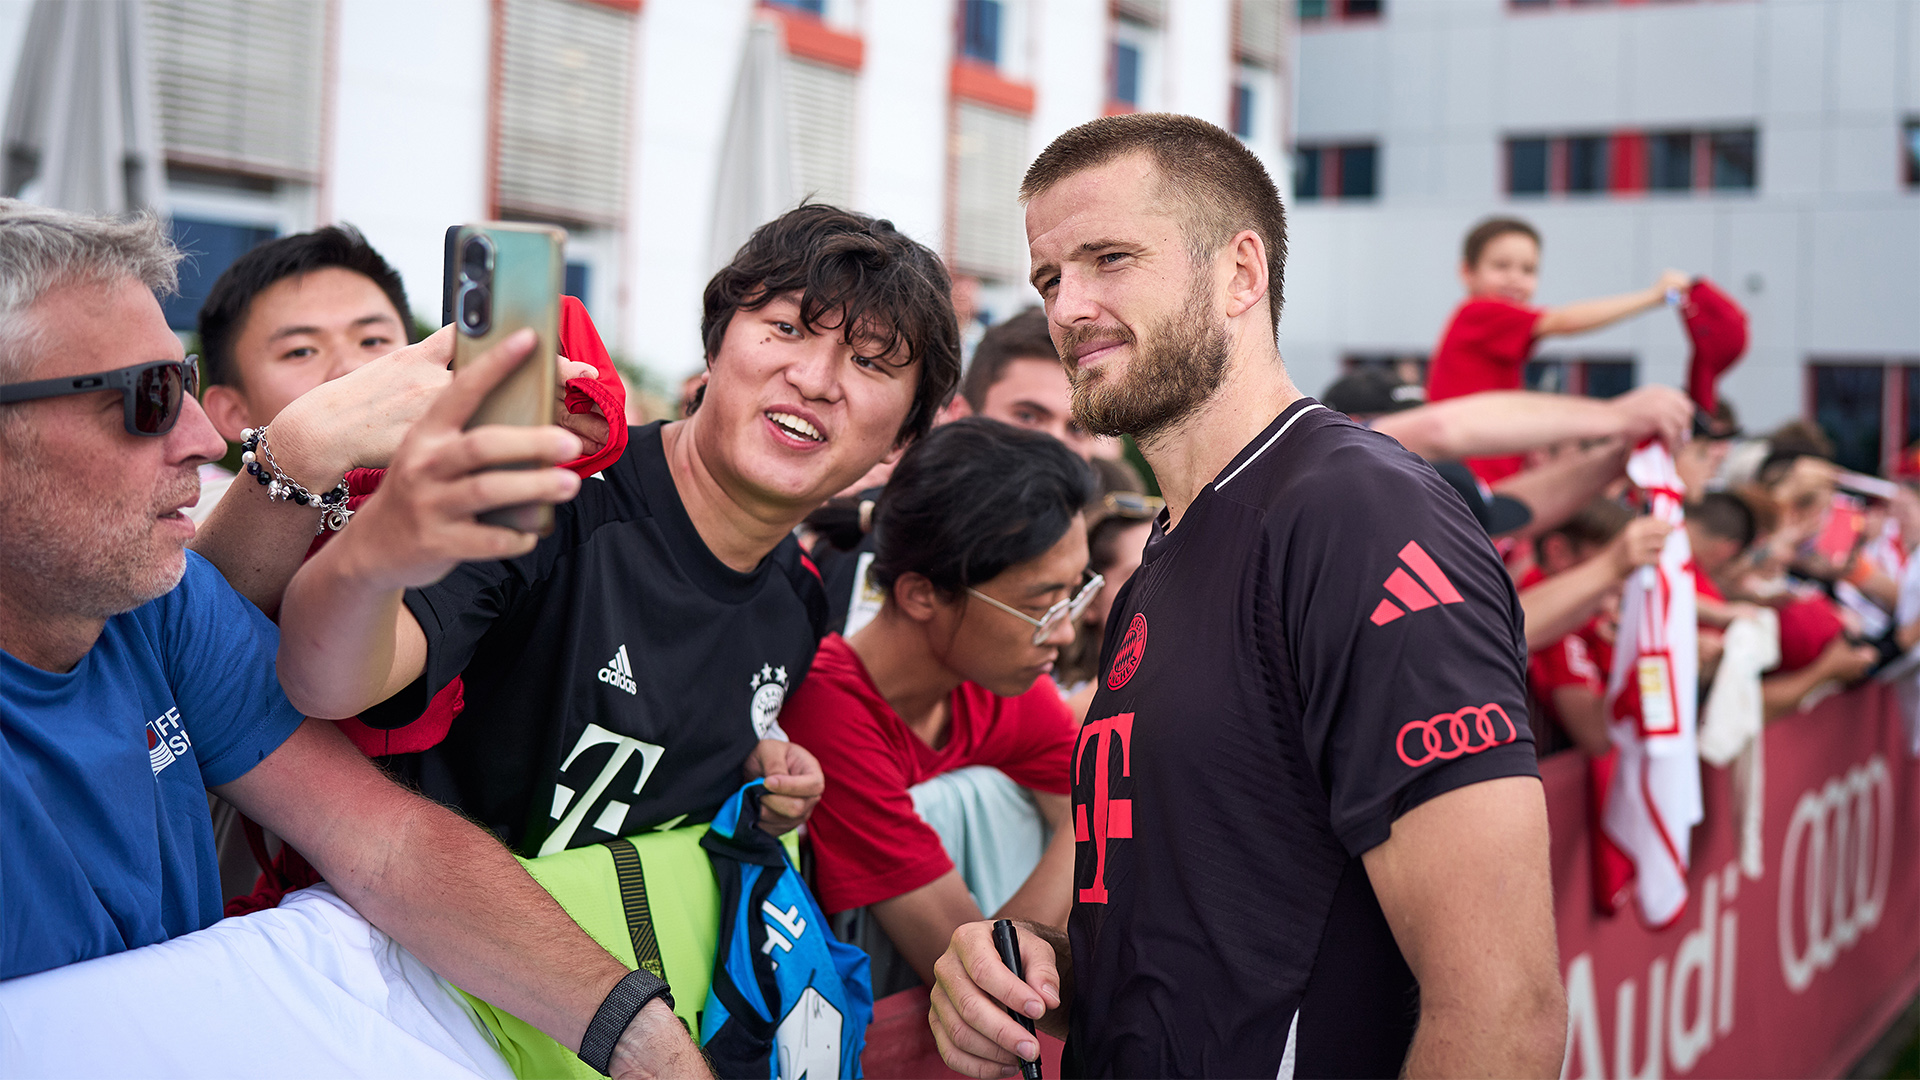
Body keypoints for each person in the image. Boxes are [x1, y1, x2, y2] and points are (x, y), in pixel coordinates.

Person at [0, 199, 703, 1075]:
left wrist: (652, 1043)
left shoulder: (159, 603)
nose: (204, 441)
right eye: (146, 401)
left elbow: (388, 844)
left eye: (177, 382)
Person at [929, 115, 1566, 1078]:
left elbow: (1503, 1010)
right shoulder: (1168, 553)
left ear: (1240, 273)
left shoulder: (1359, 513)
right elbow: (1205, 950)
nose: (1069, 308)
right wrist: (1022, 971)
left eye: (1109, 258)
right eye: (1050, 278)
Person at [274, 204, 962, 859]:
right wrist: (383, 539)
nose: (815, 379)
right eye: (787, 328)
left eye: (870, 362)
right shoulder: (552, 489)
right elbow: (324, 682)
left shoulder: (800, 600)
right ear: (715, 346)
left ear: (902, 439)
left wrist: (758, 779)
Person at [780, 418, 1090, 992]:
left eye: (1076, 593)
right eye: (1043, 604)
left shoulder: (998, 682)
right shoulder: (826, 714)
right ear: (922, 594)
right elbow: (987, 982)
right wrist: (1089, 819)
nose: (1066, 633)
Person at [1426, 216, 1691, 482]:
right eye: (1501, 266)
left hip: (1487, 476)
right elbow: (1562, 321)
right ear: (1467, 273)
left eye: (1528, 270)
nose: (1515, 278)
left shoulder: (1491, 326)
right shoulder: (1479, 313)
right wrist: (1654, 296)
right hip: (1470, 482)